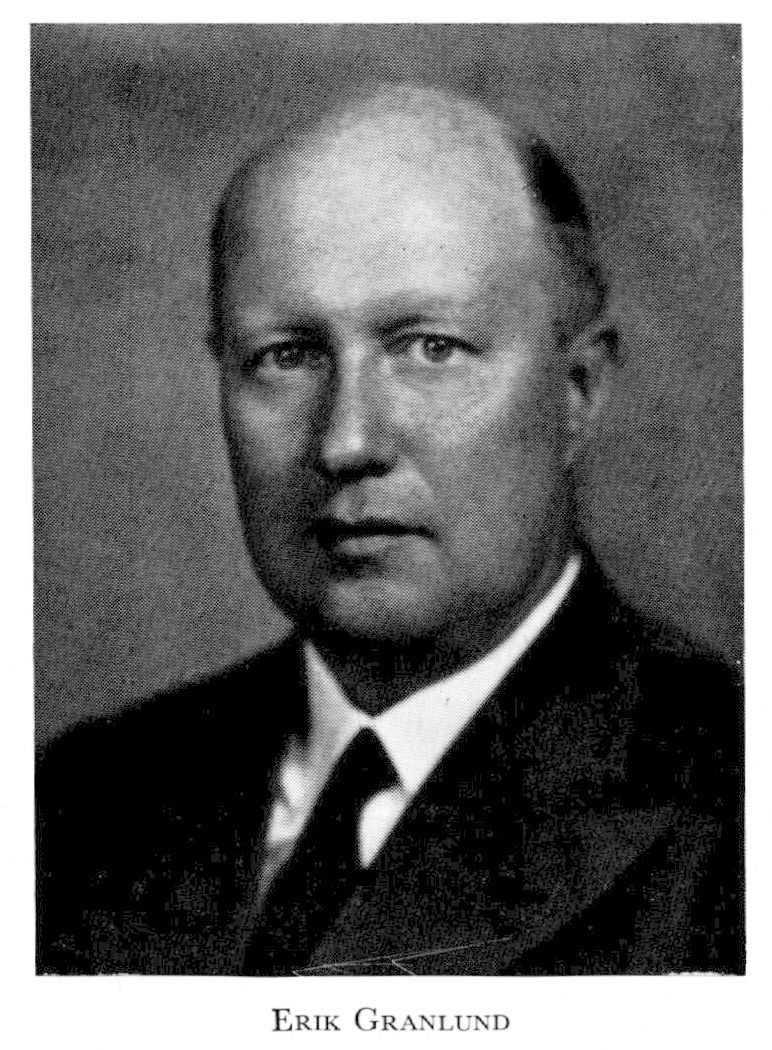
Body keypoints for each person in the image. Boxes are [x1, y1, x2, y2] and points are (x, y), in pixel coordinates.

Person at [36, 82, 743, 976]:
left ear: (577, 394)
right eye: (287, 356)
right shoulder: (79, 799)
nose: (347, 442)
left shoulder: (733, 793)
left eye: (430, 349)